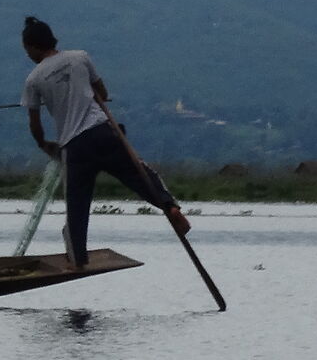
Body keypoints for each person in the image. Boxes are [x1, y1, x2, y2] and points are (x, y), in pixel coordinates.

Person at [19, 15, 192, 270]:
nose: (27, 55)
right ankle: (170, 206)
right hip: (104, 133)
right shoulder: (80, 57)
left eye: (27, 50)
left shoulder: (33, 79)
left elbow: (35, 124)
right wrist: (86, 95)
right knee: (140, 173)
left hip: (75, 148)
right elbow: (103, 94)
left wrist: (43, 143)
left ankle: (78, 258)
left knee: (77, 206)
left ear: (33, 47)